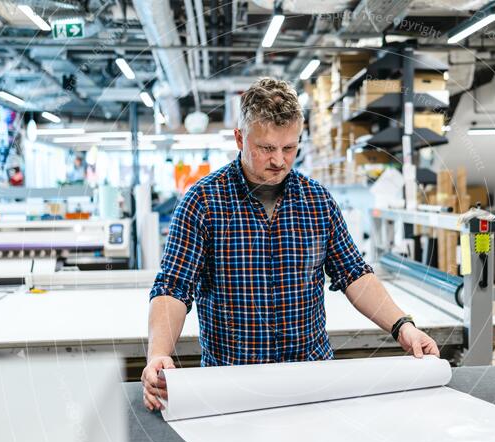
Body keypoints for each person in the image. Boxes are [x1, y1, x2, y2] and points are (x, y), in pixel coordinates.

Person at [142, 78, 438, 411]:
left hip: (311, 382)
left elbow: (354, 274)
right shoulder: (204, 201)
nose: (280, 161)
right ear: (240, 138)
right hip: (233, 387)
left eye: (289, 148)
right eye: (267, 148)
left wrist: (403, 327)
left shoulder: (317, 200)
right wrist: (159, 354)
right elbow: (173, 287)